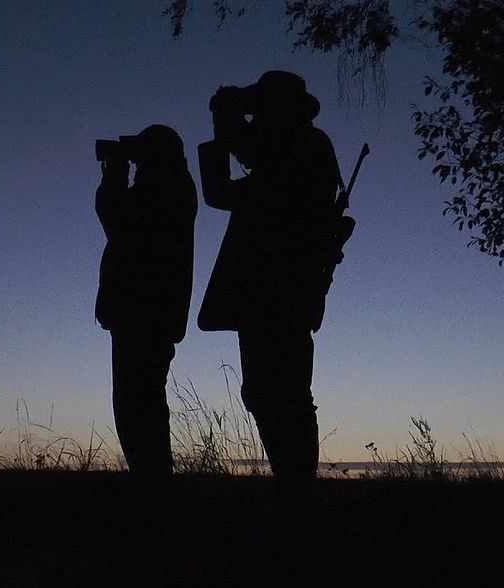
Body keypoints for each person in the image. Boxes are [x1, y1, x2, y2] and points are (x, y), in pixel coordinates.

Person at [197, 71, 342, 480]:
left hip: (283, 291)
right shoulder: (292, 151)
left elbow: (243, 165)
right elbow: (221, 192)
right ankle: (293, 487)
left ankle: (296, 490)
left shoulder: (305, 147)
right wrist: (228, 123)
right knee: (266, 392)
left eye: (263, 109)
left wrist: (226, 119)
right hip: (264, 293)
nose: (256, 118)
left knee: (285, 394)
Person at [95, 124, 197, 476]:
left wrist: (115, 176)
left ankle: (152, 483)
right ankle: (152, 479)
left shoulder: (163, 189)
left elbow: (117, 220)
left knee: (137, 402)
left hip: (143, 313)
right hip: (150, 313)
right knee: (141, 399)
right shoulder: (173, 186)